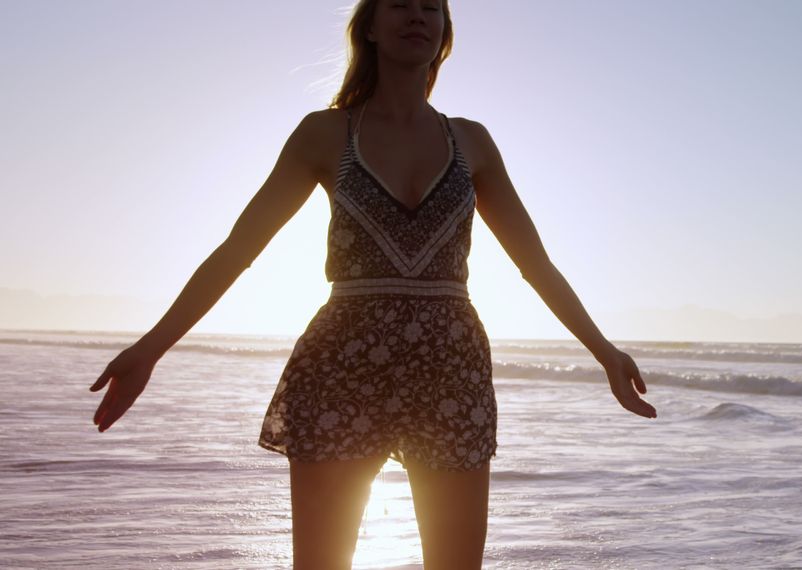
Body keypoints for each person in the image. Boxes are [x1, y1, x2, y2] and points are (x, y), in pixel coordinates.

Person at [89, 0, 657, 568]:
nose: (417, 16)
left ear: (445, 32)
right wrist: (150, 350)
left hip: (449, 369)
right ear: (371, 29)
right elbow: (240, 249)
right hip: (342, 365)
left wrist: (604, 352)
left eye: (430, 7)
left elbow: (536, 263)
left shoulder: (473, 142)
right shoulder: (325, 133)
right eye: (400, 5)